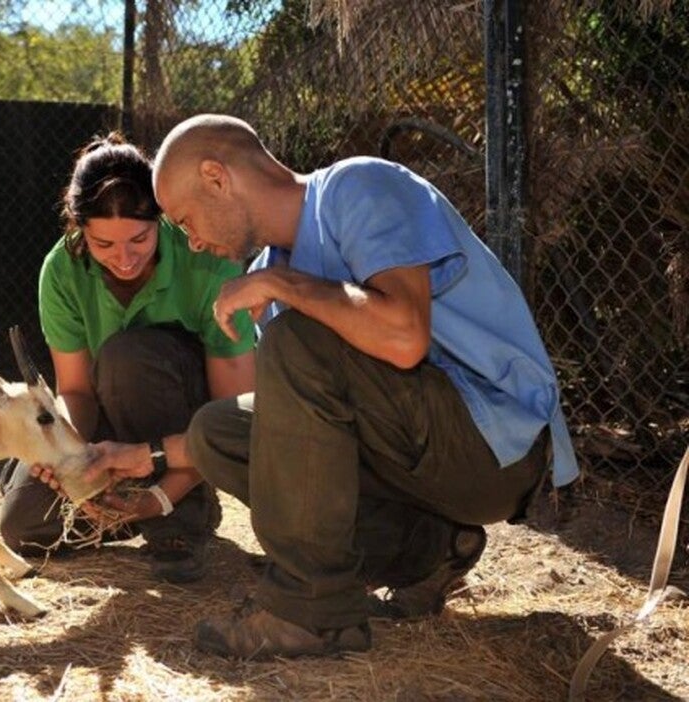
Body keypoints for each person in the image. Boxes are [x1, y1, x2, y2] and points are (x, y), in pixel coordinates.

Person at [86, 114, 580, 656]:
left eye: (184, 221)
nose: (193, 243)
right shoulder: (276, 273)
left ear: (216, 177)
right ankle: (432, 548)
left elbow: (404, 336)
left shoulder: (358, 187)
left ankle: (310, 611)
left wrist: (284, 285)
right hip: (418, 464)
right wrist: (146, 456)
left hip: (495, 444)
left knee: (298, 342)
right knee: (217, 433)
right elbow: (291, 434)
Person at [0, 133, 256, 583]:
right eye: (103, 245)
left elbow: (232, 419)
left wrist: (163, 496)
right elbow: (76, 391)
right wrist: (70, 461)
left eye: (140, 238)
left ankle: (180, 515)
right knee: (24, 527)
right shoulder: (60, 270)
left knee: (126, 357)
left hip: (186, 427)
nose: (124, 258)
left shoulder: (209, 257)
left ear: (162, 216)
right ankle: (126, 506)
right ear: (77, 229)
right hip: (111, 421)